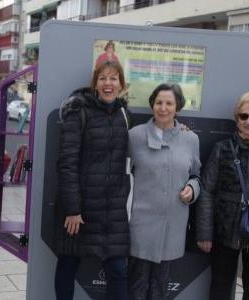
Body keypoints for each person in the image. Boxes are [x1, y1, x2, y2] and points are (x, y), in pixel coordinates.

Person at [196, 91, 249, 300]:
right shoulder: (222, 149)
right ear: (237, 119)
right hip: (226, 228)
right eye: (243, 116)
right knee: (220, 285)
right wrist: (204, 232)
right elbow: (207, 190)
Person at [55, 60, 131, 300]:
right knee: (68, 264)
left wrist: (180, 130)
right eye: (103, 78)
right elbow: (67, 163)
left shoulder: (123, 114)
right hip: (80, 207)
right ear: (95, 83)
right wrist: (72, 209)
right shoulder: (79, 112)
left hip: (113, 209)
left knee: (118, 270)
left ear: (121, 83)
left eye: (113, 78)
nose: (108, 84)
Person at [128, 83, 201, 300]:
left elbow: (197, 176)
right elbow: (122, 175)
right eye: (159, 102)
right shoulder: (135, 136)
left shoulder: (191, 139)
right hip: (139, 226)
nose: (163, 108)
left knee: (160, 288)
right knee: (137, 286)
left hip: (172, 226)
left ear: (177, 107)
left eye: (169, 103)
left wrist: (191, 189)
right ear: (152, 105)